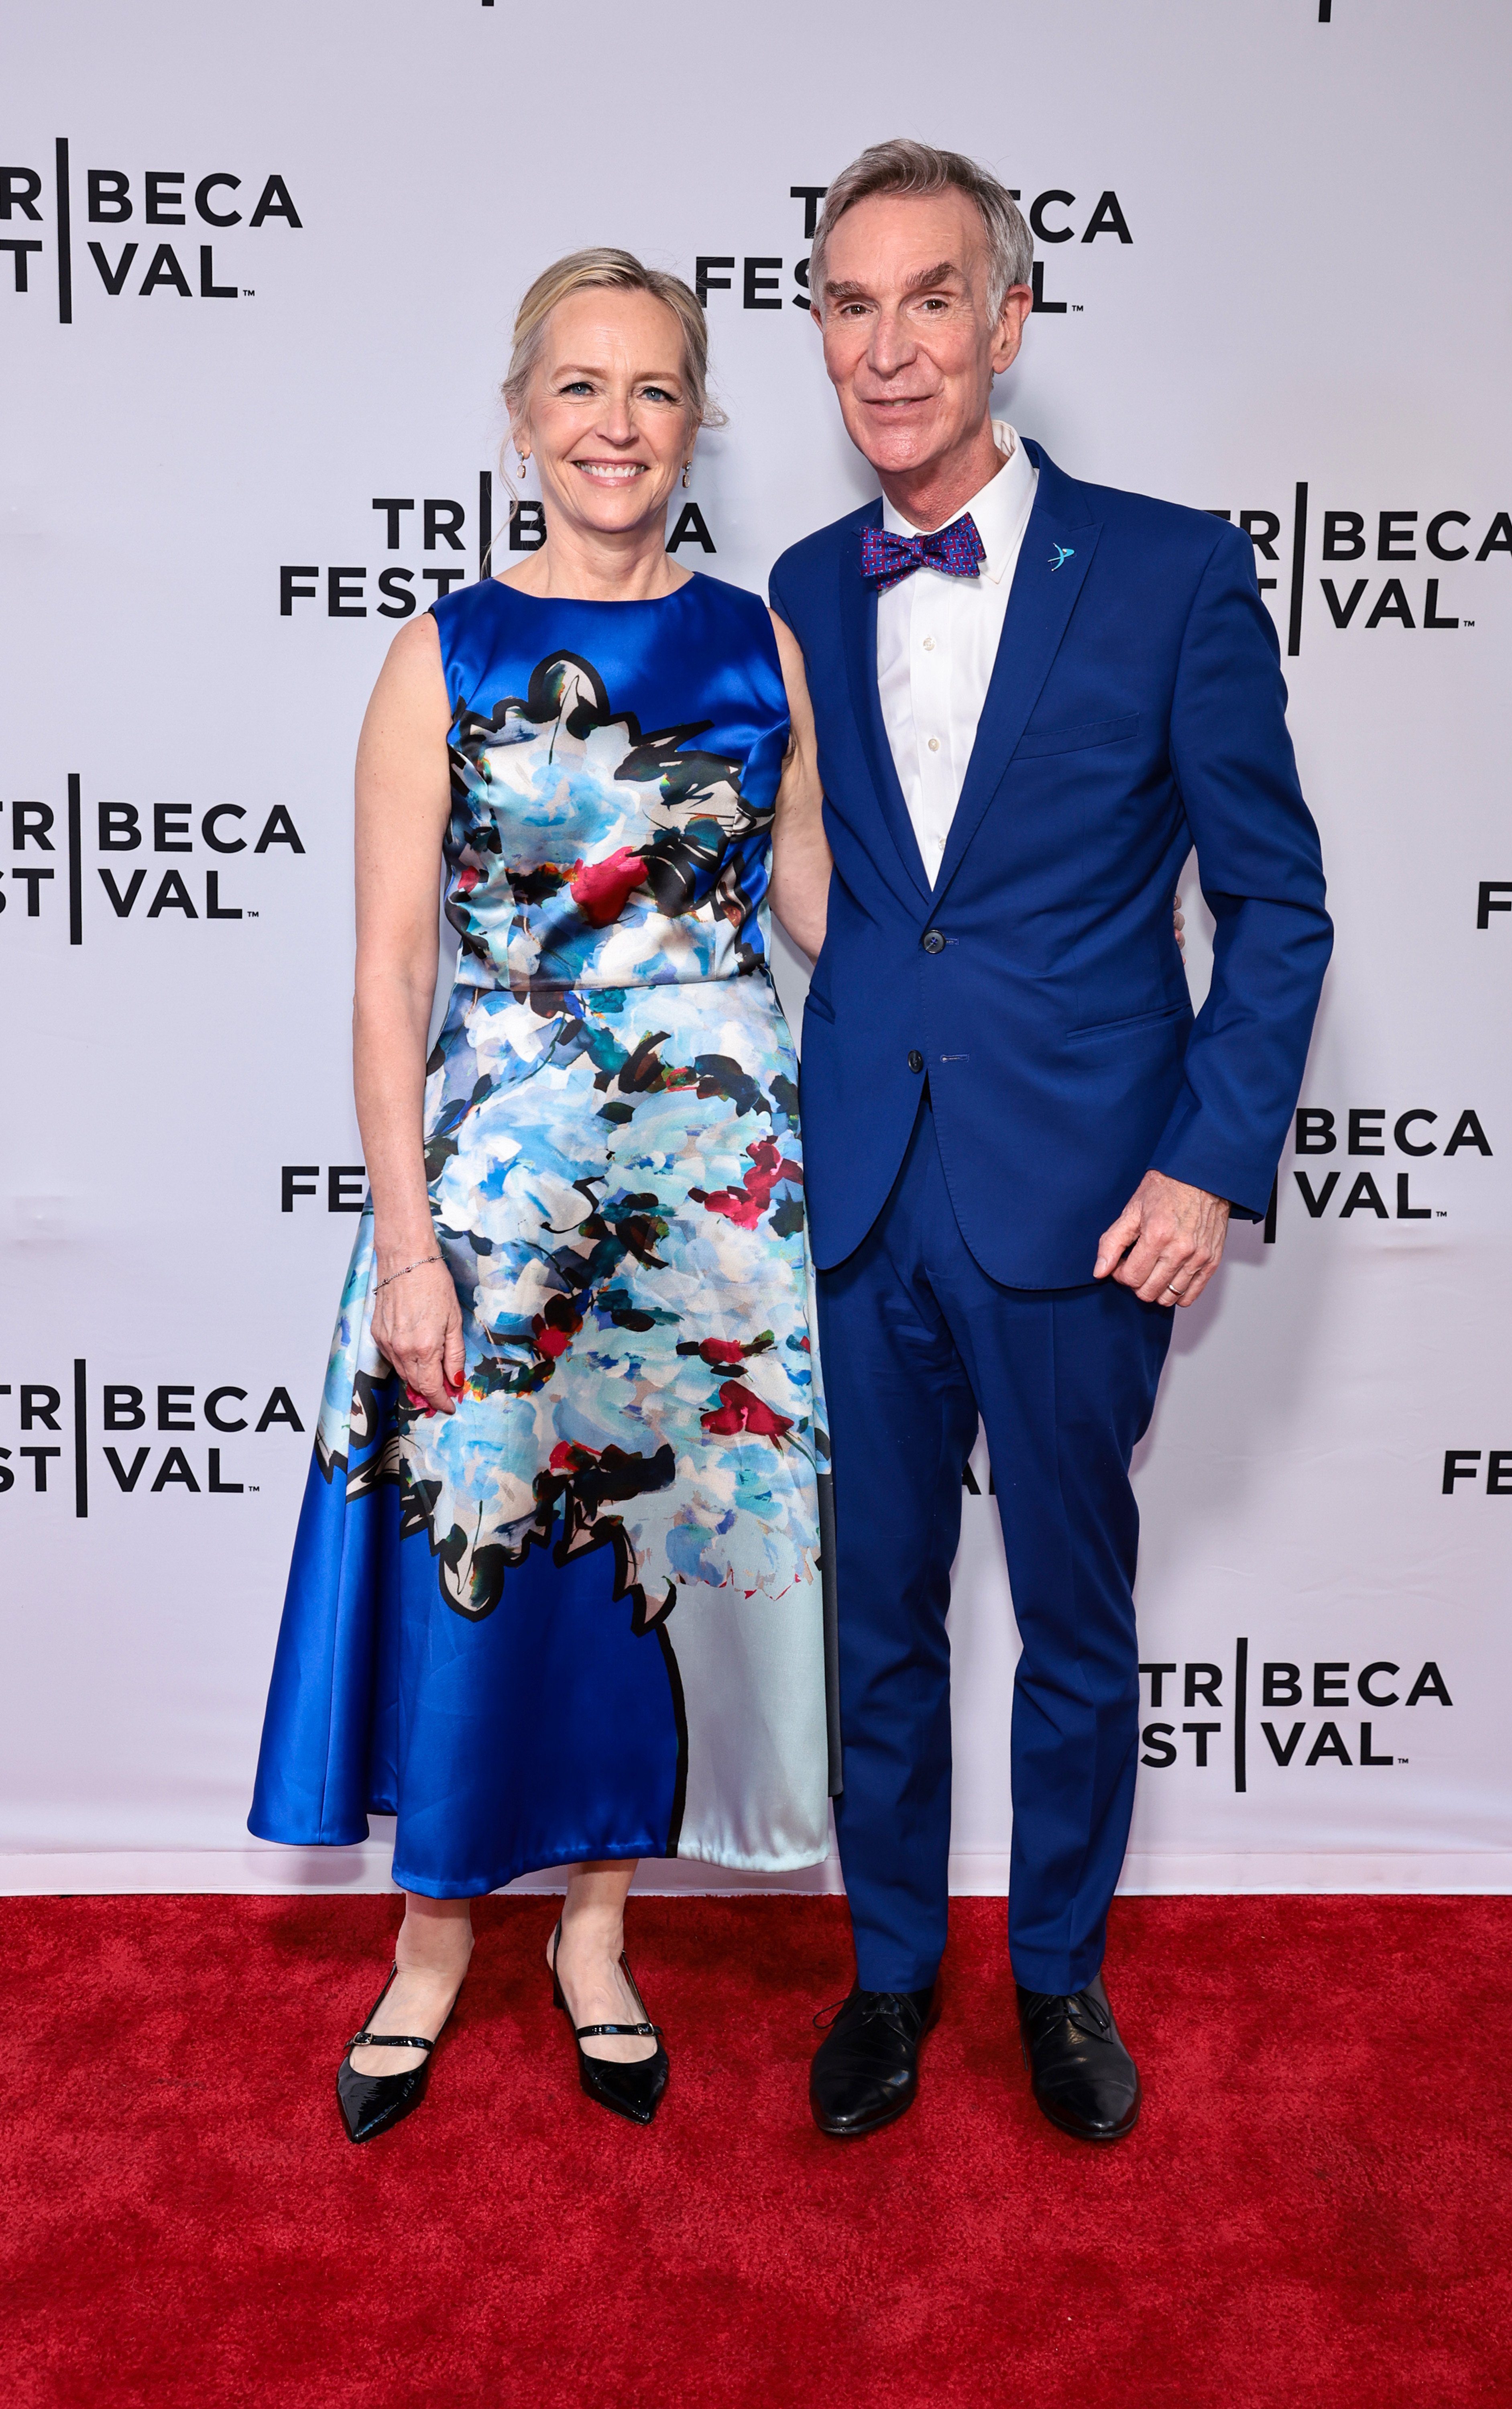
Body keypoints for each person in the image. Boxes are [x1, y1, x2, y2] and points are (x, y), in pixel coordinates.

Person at [769, 143, 1333, 2142]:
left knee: (1079, 1628)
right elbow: (856, 880)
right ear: (819, 336)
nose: (889, 345)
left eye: (932, 298)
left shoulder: (1172, 568)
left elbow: (1276, 900)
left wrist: (1204, 1161)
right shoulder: (801, 588)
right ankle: (891, 1975)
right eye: (850, 303)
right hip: (864, 1192)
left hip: (1094, 1198)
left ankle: (1062, 1979)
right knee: (878, 1622)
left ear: (1010, 321)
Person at [249, 249, 835, 2142]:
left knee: (641, 1570)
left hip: (714, 1202)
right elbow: (384, 977)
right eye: (578, 389)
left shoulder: (761, 645)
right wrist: (406, 1244)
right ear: (519, 421)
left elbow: (825, 904)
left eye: (653, 389)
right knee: (477, 1551)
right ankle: (429, 1949)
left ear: (697, 424)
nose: (615, 424)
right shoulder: (444, 651)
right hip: (496, 1189)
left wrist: (1048, 953)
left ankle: (598, 1936)